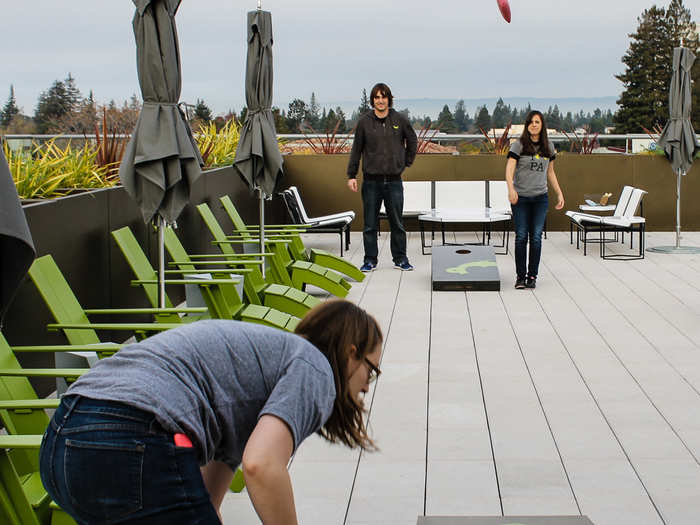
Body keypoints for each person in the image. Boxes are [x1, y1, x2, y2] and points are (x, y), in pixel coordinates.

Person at [39, 300, 383, 524]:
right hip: (130, 438)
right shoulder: (316, 368)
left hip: (62, 443)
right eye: (371, 370)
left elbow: (205, 500)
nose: (368, 385)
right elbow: (261, 465)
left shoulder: (254, 371)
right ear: (351, 353)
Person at [347, 82, 418, 272]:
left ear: (389, 99)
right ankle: (370, 260)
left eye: (383, 97)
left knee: (397, 223)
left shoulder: (400, 120)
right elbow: (356, 150)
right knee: (370, 224)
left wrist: (406, 162)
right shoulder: (364, 122)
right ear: (373, 100)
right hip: (371, 182)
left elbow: (412, 141)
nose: (380, 100)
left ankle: (401, 259)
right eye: (377, 97)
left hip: (394, 181)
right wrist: (351, 175)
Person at [505, 110, 564, 289]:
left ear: (542, 125)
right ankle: (520, 277)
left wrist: (559, 193)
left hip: (540, 199)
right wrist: (511, 189)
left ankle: (532, 276)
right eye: (531, 122)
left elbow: (551, 172)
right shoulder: (519, 145)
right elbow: (509, 170)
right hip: (521, 198)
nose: (533, 125)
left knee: (536, 237)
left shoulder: (549, 147)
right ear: (527, 125)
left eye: (537, 122)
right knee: (521, 236)